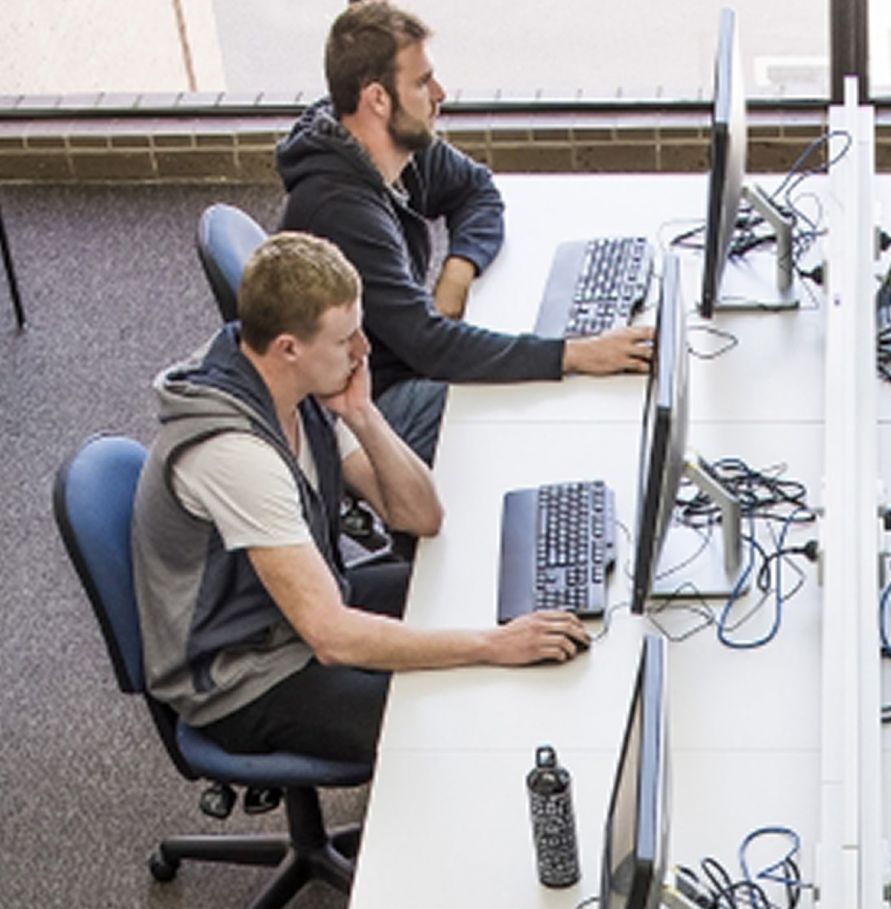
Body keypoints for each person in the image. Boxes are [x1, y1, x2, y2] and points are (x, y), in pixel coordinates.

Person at [132, 233, 591, 765]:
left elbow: (420, 516)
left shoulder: (300, 390)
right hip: (245, 672)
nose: (363, 351)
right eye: (347, 339)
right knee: (453, 721)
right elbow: (330, 637)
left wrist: (362, 415)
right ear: (289, 347)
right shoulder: (236, 456)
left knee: (477, 584)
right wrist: (490, 645)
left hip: (301, 612)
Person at [276, 1, 650, 464]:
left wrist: (457, 272)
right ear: (377, 99)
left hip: (405, 358)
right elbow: (432, 347)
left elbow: (477, 190)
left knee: (532, 368)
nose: (440, 93)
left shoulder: (396, 146)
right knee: (533, 407)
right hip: (363, 402)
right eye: (421, 82)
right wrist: (574, 355)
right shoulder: (341, 213)